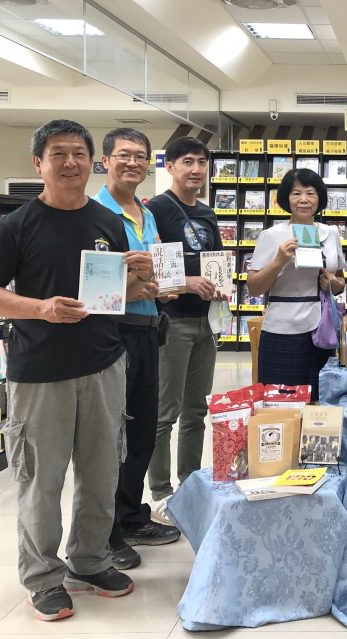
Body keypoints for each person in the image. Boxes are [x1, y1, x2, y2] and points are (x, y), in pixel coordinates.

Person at [0, 119, 153, 620]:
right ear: (39, 163)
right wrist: (42, 309)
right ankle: (43, 578)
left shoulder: (108, 222)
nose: (70, 163)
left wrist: (142, 279)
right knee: (41, 480)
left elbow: (111, 296)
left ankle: (90, 561)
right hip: (40, 373)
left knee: (101, 470)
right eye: (58, 154)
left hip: (104, 364)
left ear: (92, 163)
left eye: (78, 154)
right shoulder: (19, 225)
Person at [94, 128, 181, 572]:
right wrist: (134, 284)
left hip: (149, 330)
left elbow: (156, 276)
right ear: (105, 160)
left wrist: (162, 285)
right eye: (123, 155)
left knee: (143, 429)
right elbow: (92, 288)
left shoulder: (146, 213)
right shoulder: (95, 214)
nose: (133, 162)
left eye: (140, 156)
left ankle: (130, 516)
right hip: (113, 335)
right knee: (112, 436)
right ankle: (104, 533)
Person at [147, 137, 226, 521]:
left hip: (205, 321)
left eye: (202, 162)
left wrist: (220, 284)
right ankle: (161, 492)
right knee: (165, 412)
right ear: (171, 166)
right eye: (188, 162)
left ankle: (191, 483)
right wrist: (188, 282)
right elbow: (156, 269)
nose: (196, 169)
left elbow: (214, 259)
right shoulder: (157, 209)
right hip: (172, 320)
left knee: (196, 410)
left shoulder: (207, 213)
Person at [247, 168, 345, 399]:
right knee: (281, 402)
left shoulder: (331, 234)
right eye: (296, 193)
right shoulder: (272, 235)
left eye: (310, 193)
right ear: (286, 198)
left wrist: (333, 283)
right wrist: (279, 261)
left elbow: (340, 280)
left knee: (320, 401)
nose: (304, 199)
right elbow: (254, 287)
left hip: (322, 331)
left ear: (319, 198)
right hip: (282, 330)